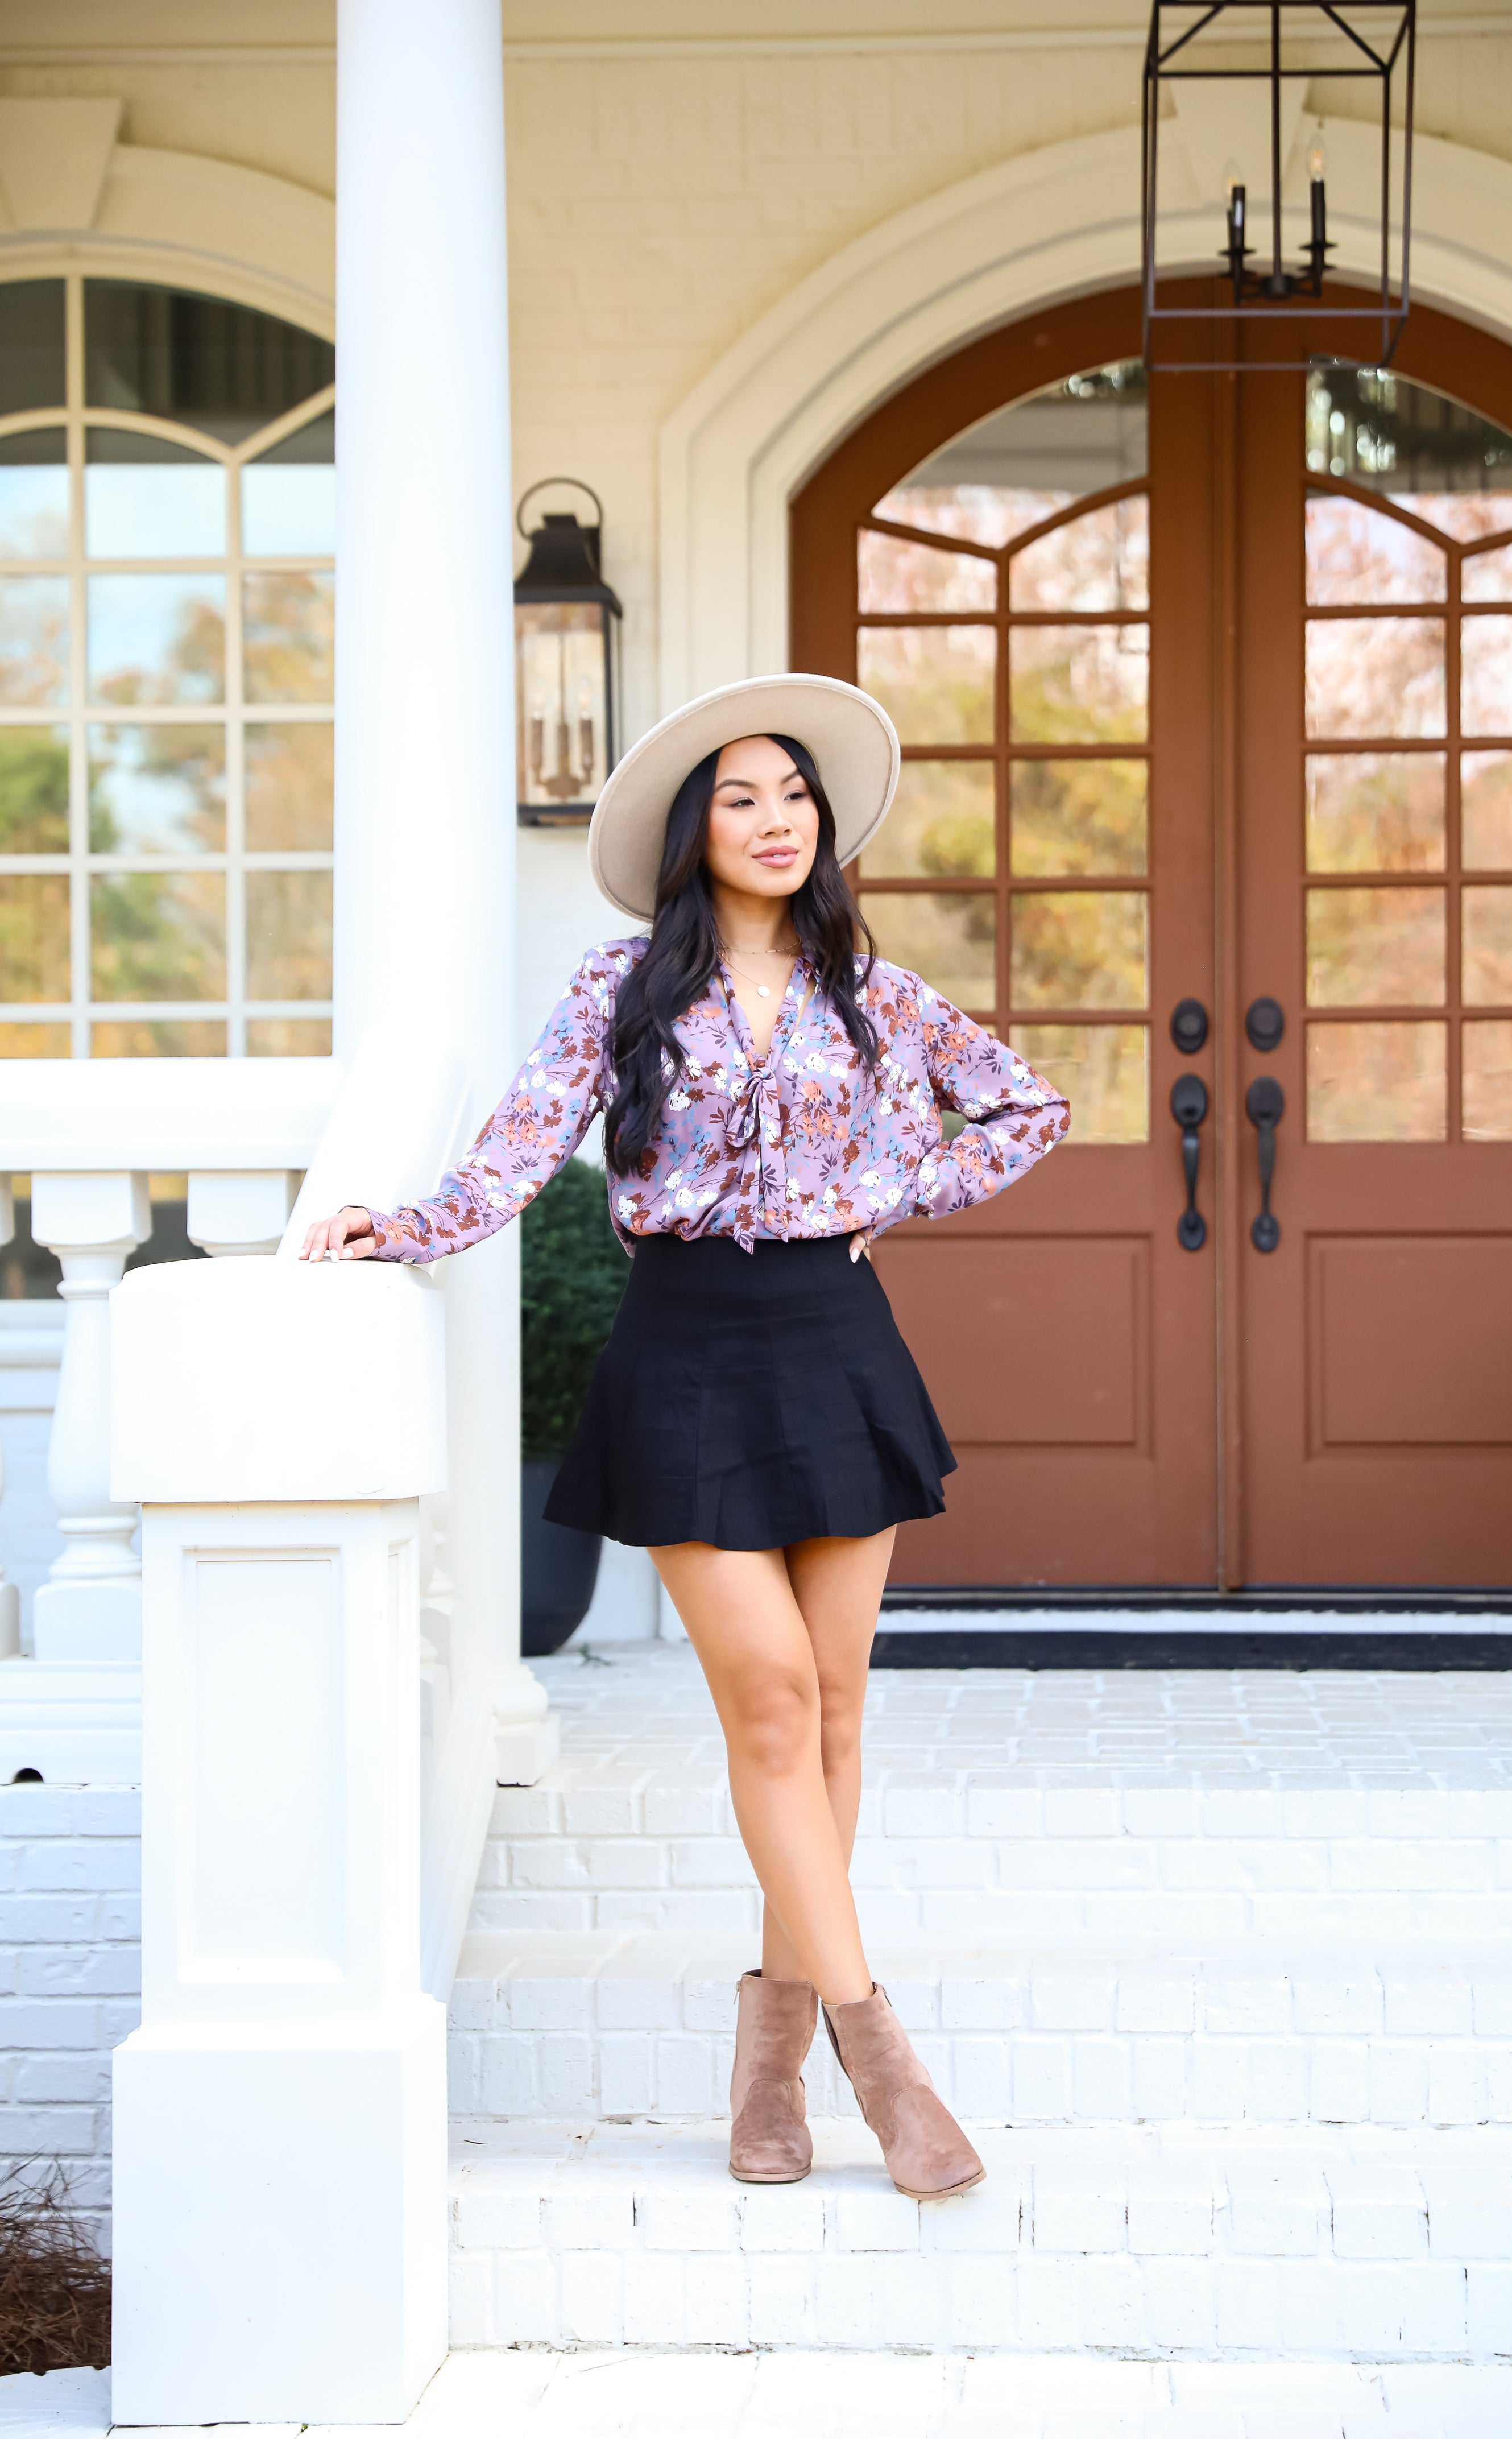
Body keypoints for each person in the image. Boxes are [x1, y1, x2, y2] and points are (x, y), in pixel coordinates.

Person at [301, 674, 1068, 2202]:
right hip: (686, 1354)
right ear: (691, 833)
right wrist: (404, 1226)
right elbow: (519, 1147)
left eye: (793, 795)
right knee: (773, 1704)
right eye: (742, 798)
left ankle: (766, 2058)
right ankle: (876, 2050)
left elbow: (1025, 1109)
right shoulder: (619, 988)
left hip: (836, 1348)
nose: (776, 820)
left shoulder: (873, 987)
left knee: (838, 1710)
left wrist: (879, 1194)